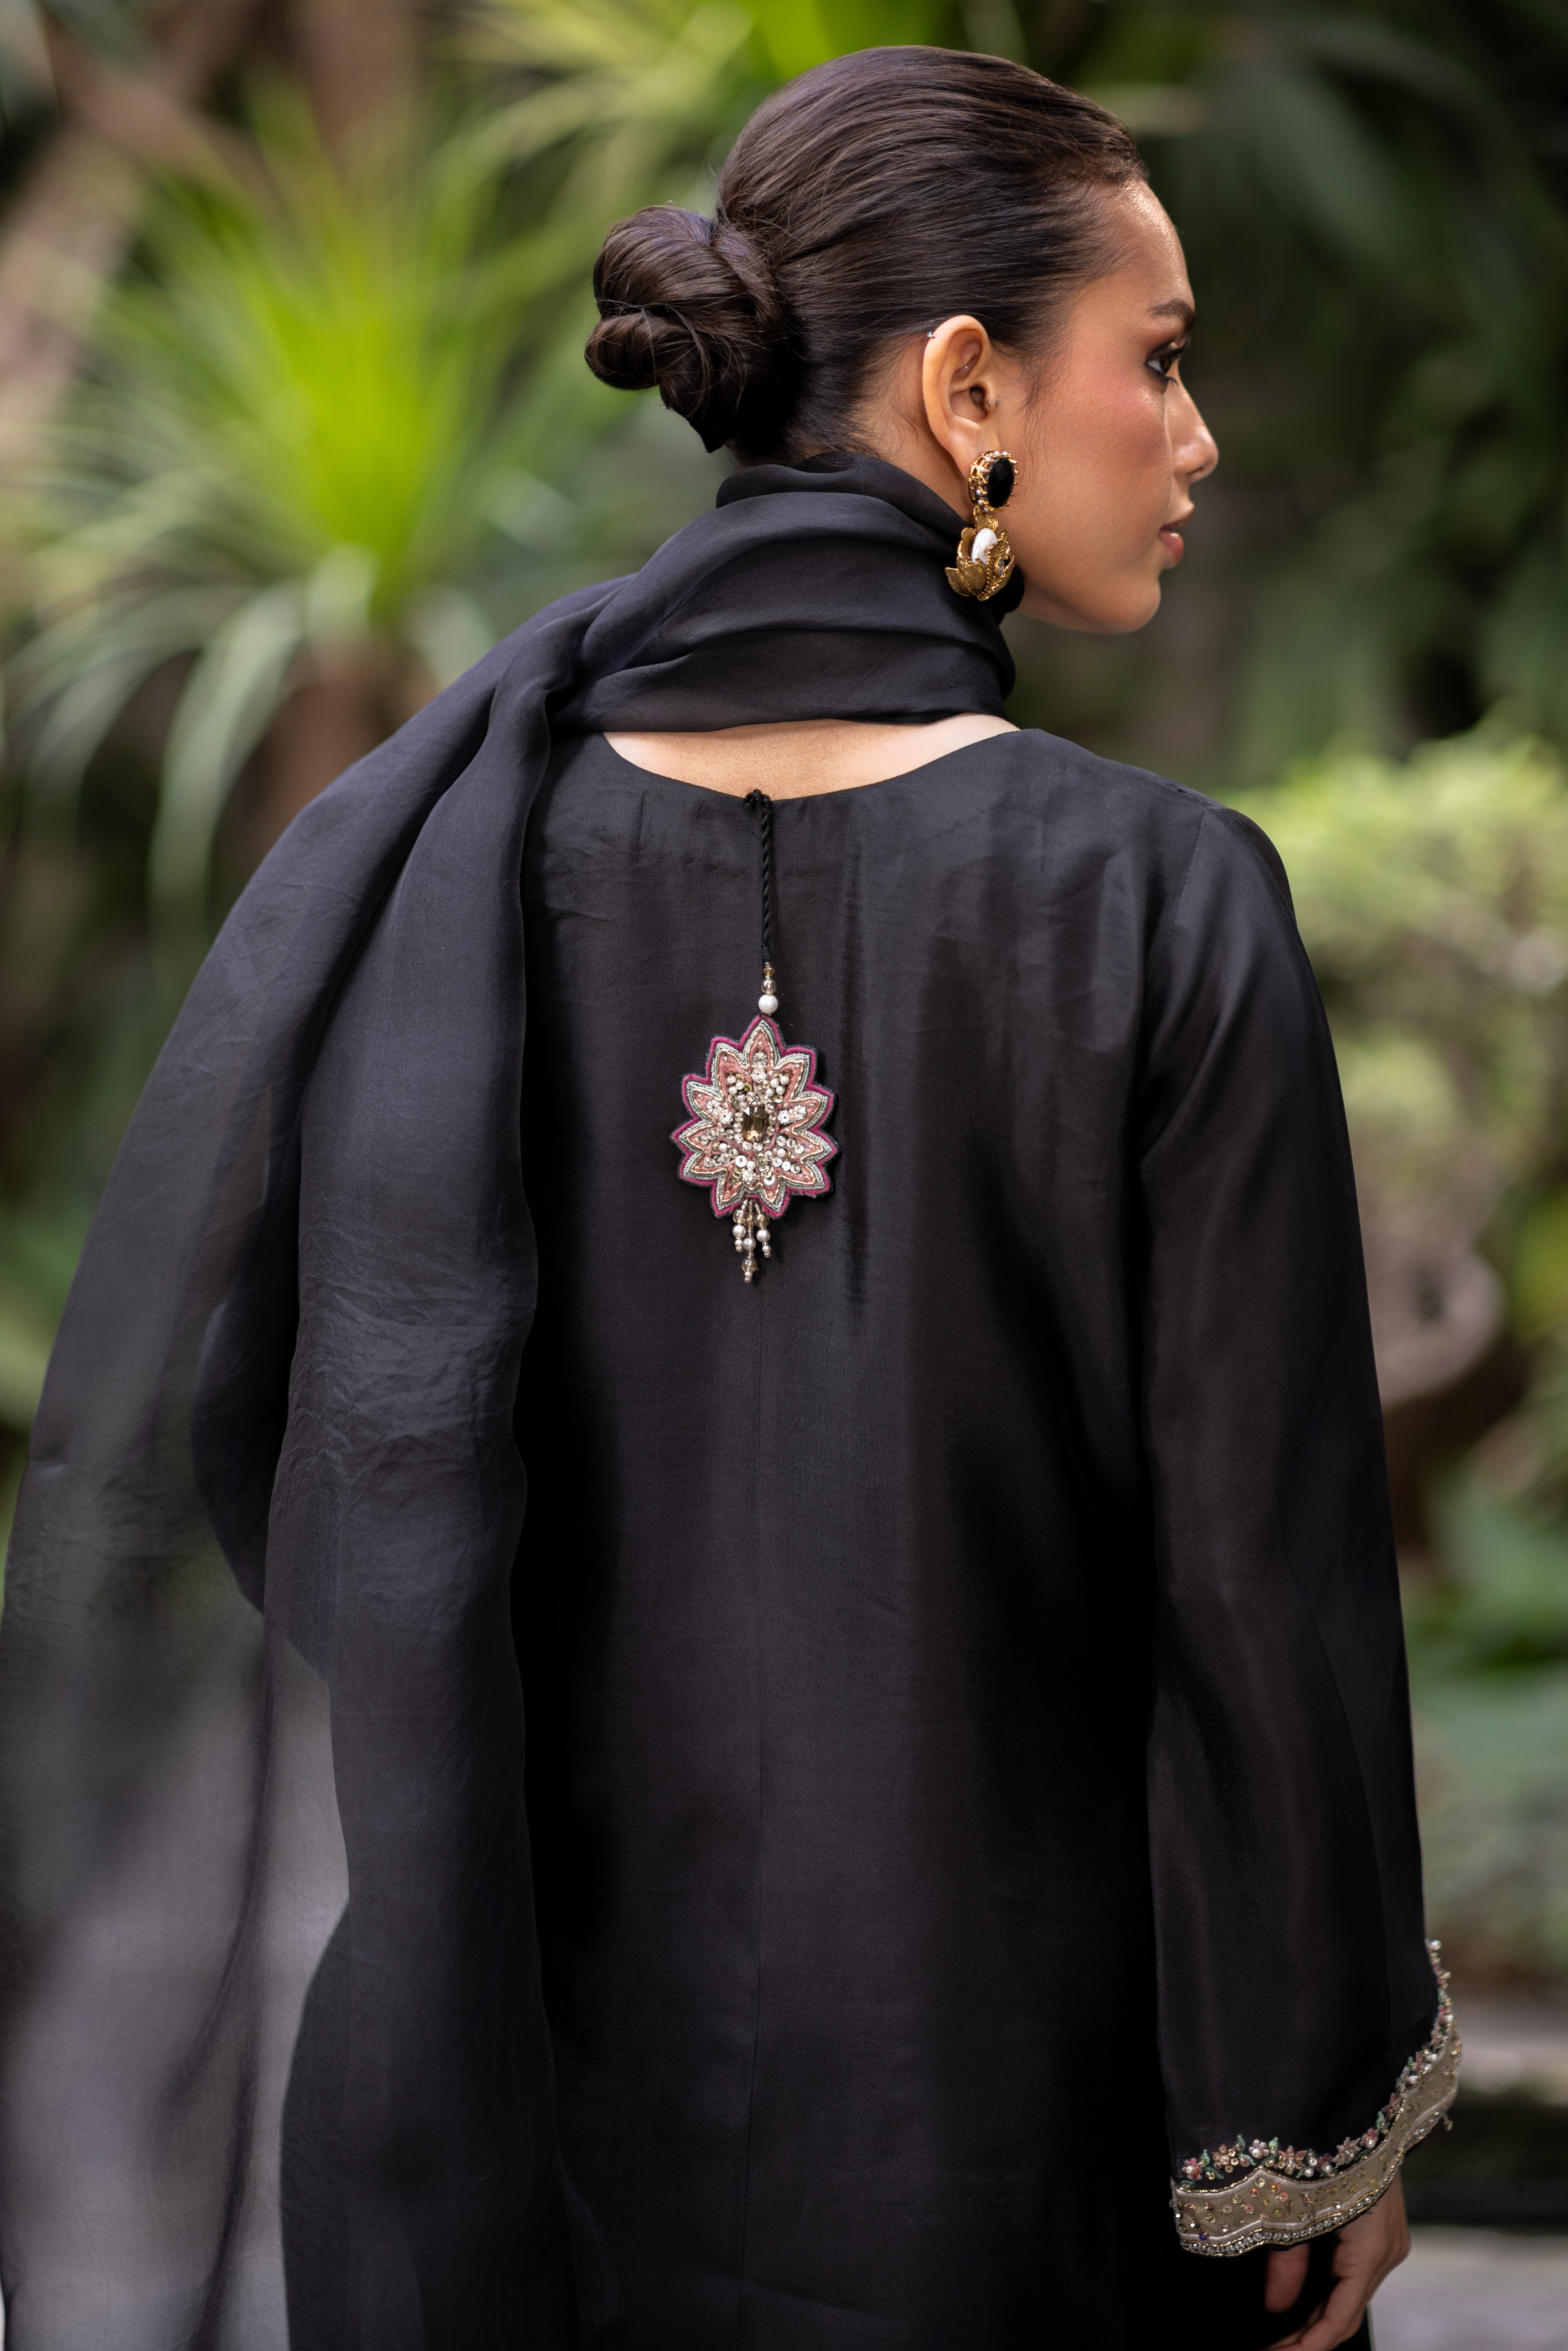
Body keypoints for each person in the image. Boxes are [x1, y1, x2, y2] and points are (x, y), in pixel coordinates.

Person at [0, 45, 1457, 2351]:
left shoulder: (457, 870)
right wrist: (1314, 2115)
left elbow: (291, 1472)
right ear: (970, 389)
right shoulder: (1159, 898)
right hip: (1030, 2143)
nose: (1194, 442)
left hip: (529, 2119)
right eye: (1159, 361)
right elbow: (1255, 1592)